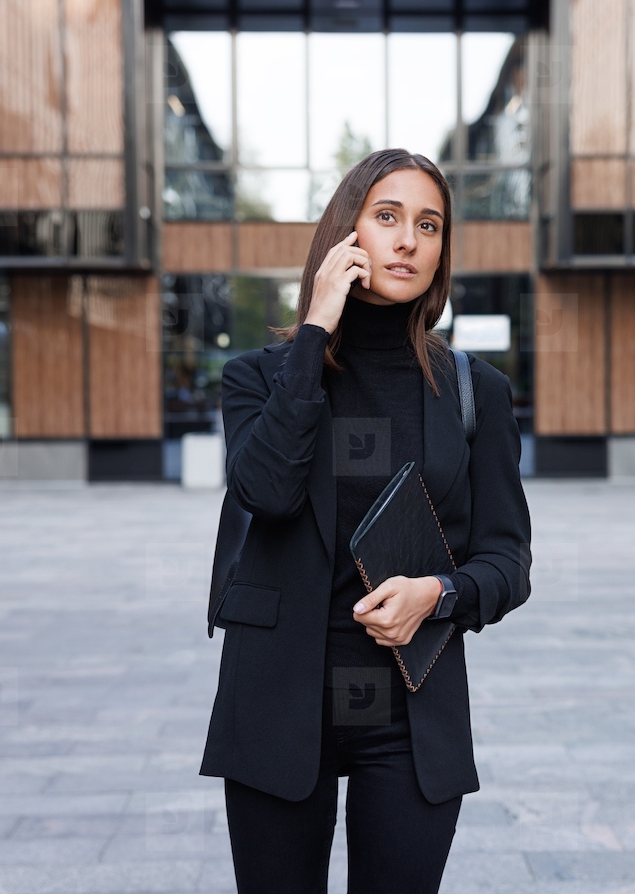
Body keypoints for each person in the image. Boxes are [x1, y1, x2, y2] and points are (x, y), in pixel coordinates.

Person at [199, 148, 532, 894]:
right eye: (387, 217)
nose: (409, 239)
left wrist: (437, 596)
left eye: (429, 224)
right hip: (279, 705)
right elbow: (268, 491)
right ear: (345, 235)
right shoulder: (258, 377)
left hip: (410, 716)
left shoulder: (475, 391)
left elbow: (508, 563)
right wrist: (316, 331)